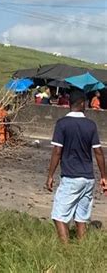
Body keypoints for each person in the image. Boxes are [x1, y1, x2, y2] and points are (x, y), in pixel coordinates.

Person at [46, 90, 106, 243]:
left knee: (58, 215)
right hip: (88, 178)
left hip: (71, 177)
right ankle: (82, 247)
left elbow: (57, 151)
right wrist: (104, 176)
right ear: (82, 103)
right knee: (81, 217)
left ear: (69, 104)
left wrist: (50, 175)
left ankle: (65, 250)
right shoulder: (90, 125)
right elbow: (98, 152)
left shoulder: (62, 124)